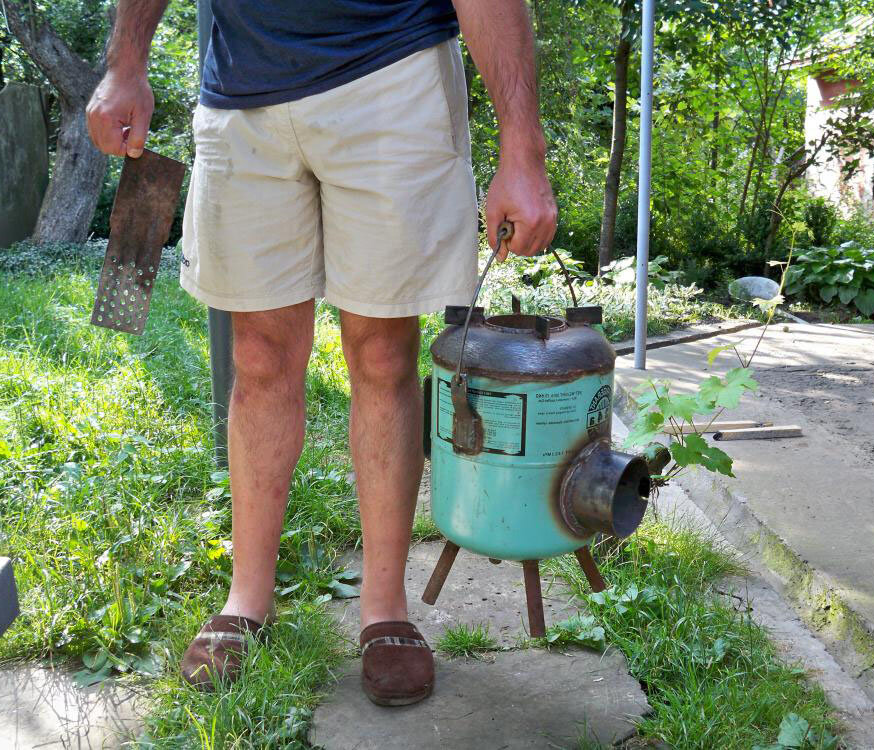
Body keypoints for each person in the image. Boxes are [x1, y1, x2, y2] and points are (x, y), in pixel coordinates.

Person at [86, 0, 556, 706]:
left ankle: (384, 609)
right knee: (260, 358)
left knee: (382, 357)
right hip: (242, 95)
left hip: (392, 79)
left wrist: (523, 148)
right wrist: (125, 63)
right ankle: (247, 599)